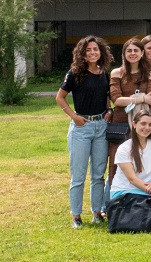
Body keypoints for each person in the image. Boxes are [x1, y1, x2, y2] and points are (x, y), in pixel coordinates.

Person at [58, 36, 113, 228]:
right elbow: (60, 97)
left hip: (101, 127)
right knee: (78, 175)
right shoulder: (75, 73)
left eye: (95, 49)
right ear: (82, 53)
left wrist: (109, 110)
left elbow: (106, 97)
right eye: (88, 50)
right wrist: (73, 116)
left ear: (101, 52)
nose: (92, 53)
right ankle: (76, 216)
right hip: (81, 127)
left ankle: (97, 212)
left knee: (99, 173)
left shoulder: (104, 73)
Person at [109, 107, 151, 228]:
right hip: (125, 191)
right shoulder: (124, 148)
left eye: (150, 125)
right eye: (143, 124)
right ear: (134, 124)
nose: (147, 128)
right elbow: (132, 179)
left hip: (147, 186)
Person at [108, 38, 151, 190]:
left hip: (142, 125)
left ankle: (140, 196)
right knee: (115, 164)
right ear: (124, 53)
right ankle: (112, 201)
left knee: (142, 163)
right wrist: (141, 98)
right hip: (121, 124)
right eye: (129, 50)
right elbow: (116, 100)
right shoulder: (117, 73)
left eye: (136, 50)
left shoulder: (150, 74)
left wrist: (131, 99)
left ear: (142, 53)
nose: (132, 53)